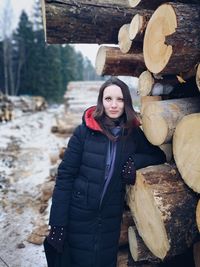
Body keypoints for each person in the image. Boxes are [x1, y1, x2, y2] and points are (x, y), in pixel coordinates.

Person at [44, 77, 166, 267]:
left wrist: (135, 161)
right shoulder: (83, 133)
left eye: (120, 99)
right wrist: (57, 224)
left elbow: (158, 156)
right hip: (79, 215)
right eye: (108, 99)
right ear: (101, 101)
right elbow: (65, 176)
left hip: (109, 219)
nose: (114, 105)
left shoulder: (132, 134)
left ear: (126, 101)